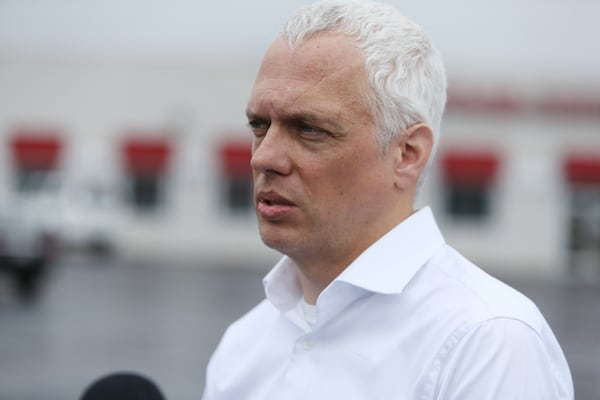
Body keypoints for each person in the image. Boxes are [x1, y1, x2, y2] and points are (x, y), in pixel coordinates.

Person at [203, 0, 574, 398]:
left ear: (407, 154)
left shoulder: (486, 342)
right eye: (260, 125)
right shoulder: (242, 346)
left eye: (309, 129)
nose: (263, 157)